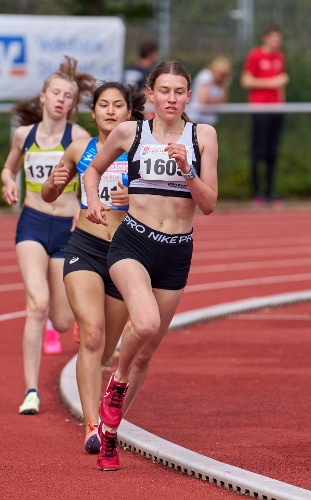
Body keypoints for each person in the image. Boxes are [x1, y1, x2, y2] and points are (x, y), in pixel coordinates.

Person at [84, 60, 218, 471]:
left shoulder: (203, 135)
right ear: (150, 94)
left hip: (177, 251)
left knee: (146, 354)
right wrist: (93, 200)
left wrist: (188, 170)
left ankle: (110, 435)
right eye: (164, 91)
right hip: (133, 243)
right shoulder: (131, 132)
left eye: (179, 92)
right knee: (144, 324)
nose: (171, 99)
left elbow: (209, 204)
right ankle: (115, 387)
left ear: (188, 96)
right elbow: (92, 170)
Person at [41, 81, 145, 454]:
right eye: (104, 105)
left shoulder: (140, 152)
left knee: (105, 351)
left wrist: (134, 196)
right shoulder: (77, 149)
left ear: (129, 113)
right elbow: (50, 194)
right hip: (83, 247)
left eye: (119, 105)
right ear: (94, 111)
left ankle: (95, 359)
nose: (111, 111)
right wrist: (52, 187)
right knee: (94, 335)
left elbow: (161, 201)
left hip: (124, 252)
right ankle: (91, 425)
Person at [1, 56, 95, 416]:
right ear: (42, 98)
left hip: (66, 228)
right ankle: (30, 391)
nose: (60, 99)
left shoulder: (80, 138)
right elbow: (8, 168)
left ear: (72, 104)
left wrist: (90, 211)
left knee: (60, 319)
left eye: (67, 95)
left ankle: (59, 329)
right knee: (36, 304)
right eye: (54, 93)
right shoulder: (24, 135)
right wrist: (9, 182)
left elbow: (92, 179)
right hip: (32, 223)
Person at [240, 25, 289, 206]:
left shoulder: (280, 57)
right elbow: (246, 81)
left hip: (277, 111)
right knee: (258, 151)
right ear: (265, 38)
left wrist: (282, 105)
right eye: (273, 37)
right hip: (260, 110)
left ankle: (270, 192)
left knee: (272, 152)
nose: (276, 41)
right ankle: (257, 193)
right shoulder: (255, 55)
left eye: (278, 38)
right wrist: (271, 82)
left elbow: (281, 86)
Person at [189, 56, 232, 125]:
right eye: (218, 72)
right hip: (196, 117)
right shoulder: (205, 76)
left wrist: (212, 101)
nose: (219, 76)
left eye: (222, 74)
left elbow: (223, 102)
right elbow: (204, 100)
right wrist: (216, 101)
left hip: (210, 120)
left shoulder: (225, 81)